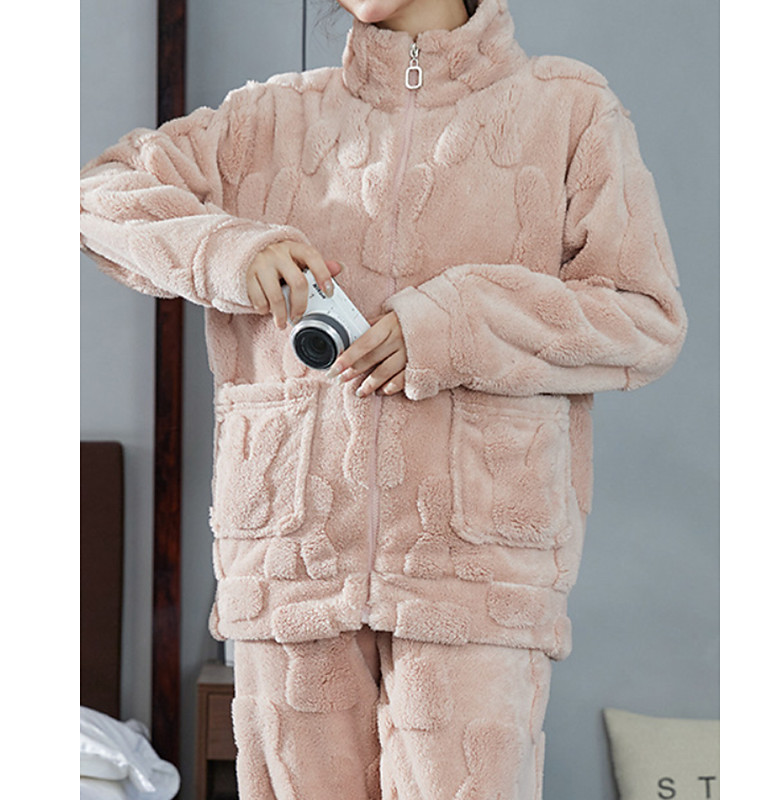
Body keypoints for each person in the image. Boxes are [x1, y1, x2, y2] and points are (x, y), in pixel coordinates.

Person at [79, 0, 688, 796]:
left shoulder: (567, 109)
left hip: (475, 569)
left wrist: (458, 322)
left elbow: (643, 315)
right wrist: (229, 250)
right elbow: (94, 196)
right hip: (291, 558)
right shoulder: (265, 121)